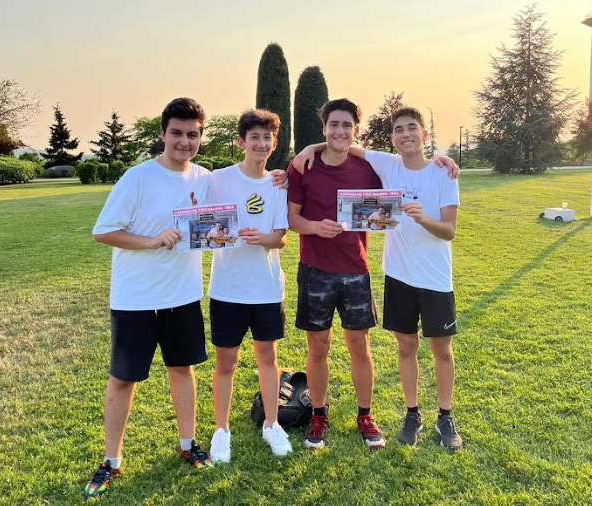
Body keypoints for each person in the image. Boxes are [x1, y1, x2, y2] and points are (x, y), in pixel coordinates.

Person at [296, 107, 462, 450]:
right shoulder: (386, 164)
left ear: (424, 134)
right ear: (392, 138)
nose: (406, 135)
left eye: (412, 128)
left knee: (439, 350)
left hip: (428, 277)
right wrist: (309, 147)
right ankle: (409, 414)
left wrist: (423, 217)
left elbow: (449, 231)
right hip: (395, 275)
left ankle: (442, 417)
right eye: (399, 130)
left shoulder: (441, 172)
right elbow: (341, 143)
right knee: (404, 347)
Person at [83, 97, 214, 500]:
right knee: (123, 379)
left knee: (182, 369)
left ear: (201, 137)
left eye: (192, 134)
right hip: (135, 299)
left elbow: (242, 190)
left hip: (183, 295)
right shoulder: (137, 177)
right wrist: (152, 240)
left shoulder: (205, 178)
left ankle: (188, 445)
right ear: (163, 134)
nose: (184, 142)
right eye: (176, 133)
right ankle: (111, 461)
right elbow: (103, 231)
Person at [287, 98, 386, 450]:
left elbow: (389, 202)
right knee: (318, 347)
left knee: (359, 345)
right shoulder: (303, 166)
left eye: (347, 125)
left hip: (355, 269)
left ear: (355, 130)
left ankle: (365, 415)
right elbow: (292, 218)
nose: (340, 131)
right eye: (334, 125)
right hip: (315, 270)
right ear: (324, 128)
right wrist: (315, 227)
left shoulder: (368, 168)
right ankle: (318, 413)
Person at [206, 109, 292, 463]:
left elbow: (281, 237)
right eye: (254, 137)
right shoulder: (219, 179)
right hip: (228, 288)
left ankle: (272, 424)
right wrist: (217, 234)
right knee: (226, 361)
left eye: (266, 137)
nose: (260, 143)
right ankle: (221, 430)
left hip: (266, 287)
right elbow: (204, 226)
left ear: (274, 143)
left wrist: (263, 239)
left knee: (267, 358)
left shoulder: (277, 184)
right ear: (241, 142)